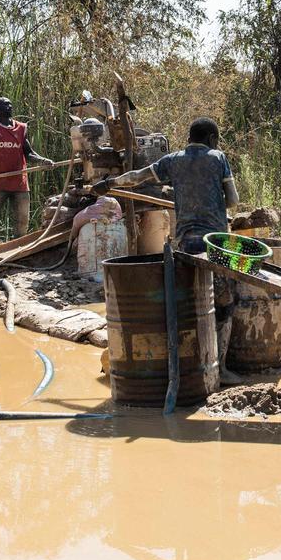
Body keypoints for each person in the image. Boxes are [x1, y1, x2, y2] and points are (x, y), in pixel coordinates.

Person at [93, 117, 243, 385]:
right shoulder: (218, 158)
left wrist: (110, 184)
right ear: (211, 139)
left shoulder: (173, 160)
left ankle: (189, 364)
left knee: (193, 304)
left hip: (186, 242)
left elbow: (138, 177)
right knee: (224, 303)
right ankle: (221, 370)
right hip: (217, 241)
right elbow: (232, 200)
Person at [0, 96, 54, 249]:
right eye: (6, 105)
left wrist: (42, 160)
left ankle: (16, 252)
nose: (10, 107)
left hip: (20, 184)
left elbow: (29, 153)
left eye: (10, 104)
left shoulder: (20, 128)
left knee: (22, 222)